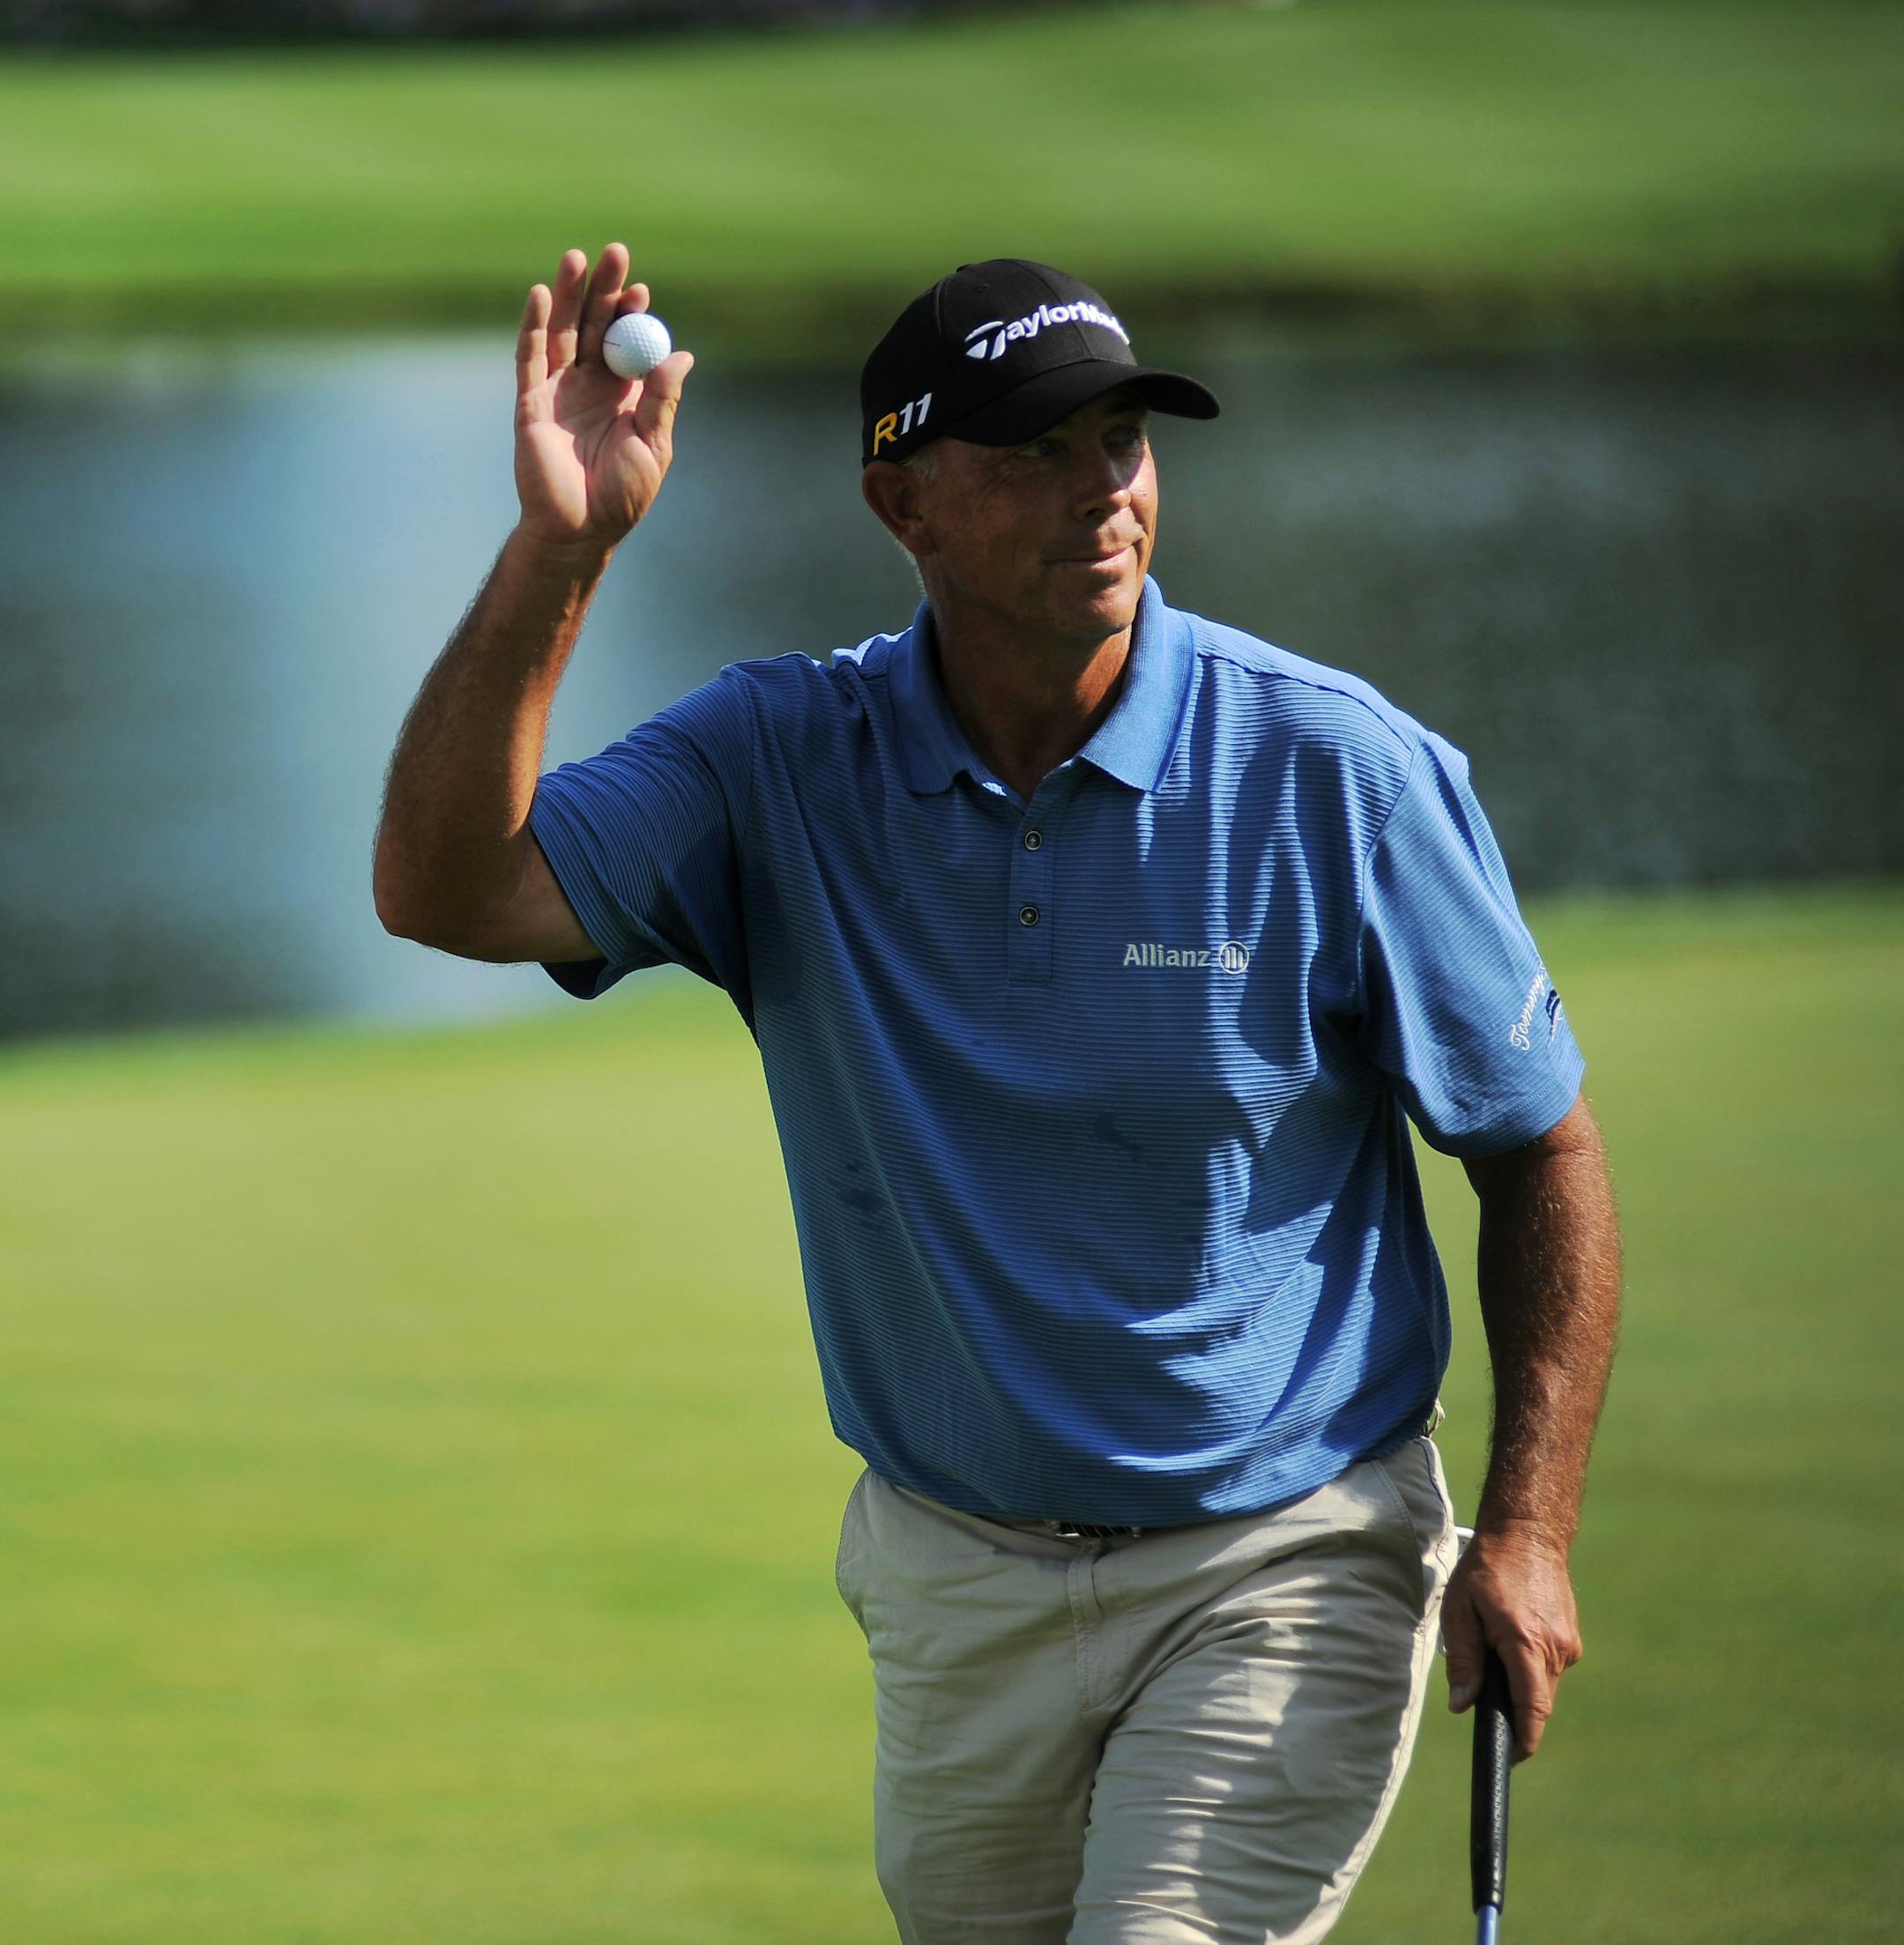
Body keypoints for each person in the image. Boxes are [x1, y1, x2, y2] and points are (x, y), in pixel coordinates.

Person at [373, 245, 1622, 1945]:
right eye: (1035, 452)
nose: (1102, 489)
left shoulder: (1335, 771)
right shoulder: (779, 756)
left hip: (1284, 1552)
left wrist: (1530, 1530)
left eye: (1122, 438)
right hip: (953, 1580)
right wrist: (563, 552)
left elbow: (1539, 1143)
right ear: (905, 505)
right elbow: (450, 893)